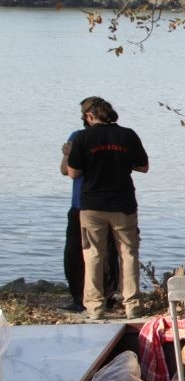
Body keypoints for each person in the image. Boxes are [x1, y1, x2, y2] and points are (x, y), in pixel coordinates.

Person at [66, 97, 149, 321]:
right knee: (129, 253)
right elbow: (143, 166)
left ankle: (95, 307)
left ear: (90, 116)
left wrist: (69, 154)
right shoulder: (127, 135)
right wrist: (122, 162)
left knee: (93, 255)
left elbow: (73, 172)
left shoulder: (83, 137)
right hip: (123, 204)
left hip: (92, 205)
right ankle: (133, 305)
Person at [60, 123, 121, 313]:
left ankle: (106, 297)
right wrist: (68, 154)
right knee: (75, 253)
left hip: (105, 204)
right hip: (79, 204)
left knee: (106, 255)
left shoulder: (115, 138)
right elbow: (66, 171)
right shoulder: (76, 136)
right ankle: (79, 297)